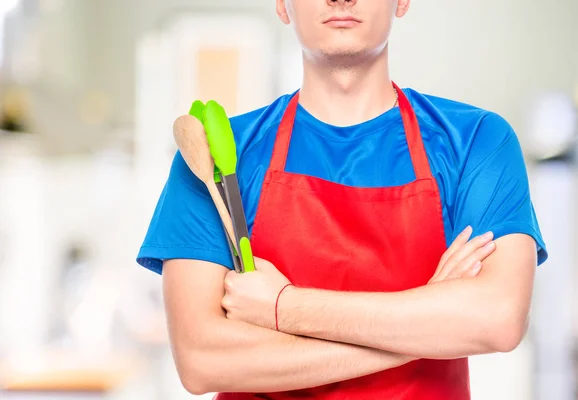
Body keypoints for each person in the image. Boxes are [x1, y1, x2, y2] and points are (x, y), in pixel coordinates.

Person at [136, 0, 548, 398]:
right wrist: (424, 326)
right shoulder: (219, 160)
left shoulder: (476, 142)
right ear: (283, 4)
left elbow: (498, 319)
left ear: (402, 0)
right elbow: (201, 360)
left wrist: (284, 307)